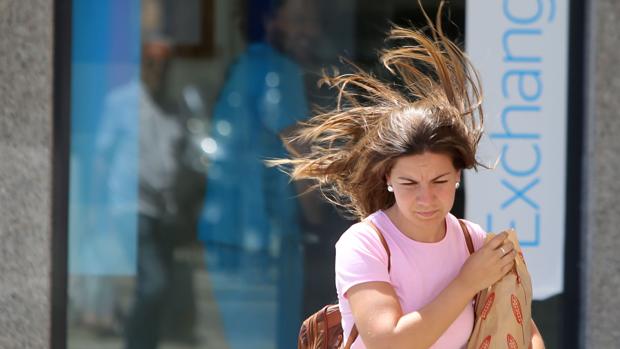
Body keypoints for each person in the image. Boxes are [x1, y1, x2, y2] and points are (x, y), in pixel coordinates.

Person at [272, 5, 546, 349]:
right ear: (387, 178)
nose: (426, 198)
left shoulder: (471, 240)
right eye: (410, 183)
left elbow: (522, 326)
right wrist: (466, 283)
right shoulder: (365, 243)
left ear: (458, 175)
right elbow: (387, 342)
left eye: (440, 181)